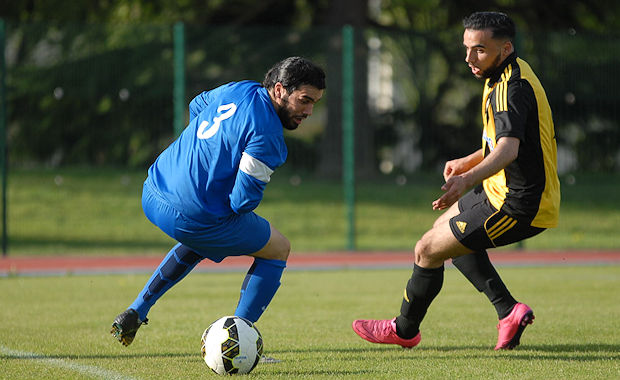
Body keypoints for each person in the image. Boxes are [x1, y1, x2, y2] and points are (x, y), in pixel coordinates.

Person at [352, 11, 560, 350]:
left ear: (504, 48)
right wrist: (469, 160)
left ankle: (403, 330)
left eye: (479, 49)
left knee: (427, 250)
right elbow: (509, 142)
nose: (468, 58)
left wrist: (466, 180)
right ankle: (508, 311)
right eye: (466, 48)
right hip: (500, 190)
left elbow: (508, 150)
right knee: (441, 236)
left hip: (518, 203)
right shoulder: (506, 74)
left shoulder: (511, 88)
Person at [111, 56, 325, 346]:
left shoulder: (240, 88)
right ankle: (238, 342)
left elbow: (198, 104)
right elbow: (242, 202)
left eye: (315, 103)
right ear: (279, 90)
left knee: (204, 233)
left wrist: (210, 155)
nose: (310, 110)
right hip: (192, 215)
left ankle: (138, 309)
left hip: (153, 189)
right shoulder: (268, 135)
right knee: (278, 248)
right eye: (304, 100)